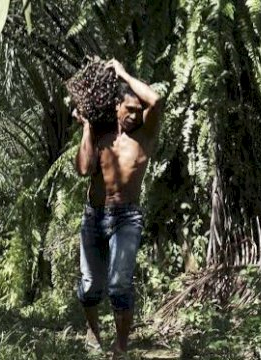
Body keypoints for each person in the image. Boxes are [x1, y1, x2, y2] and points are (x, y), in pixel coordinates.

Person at [74, 59, 163, 358]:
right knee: (89, 287)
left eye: (139, 112)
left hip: (126, 217)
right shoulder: (101, 136)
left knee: (119, 284)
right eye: (130, 110)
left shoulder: (145, 136)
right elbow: (84, 170)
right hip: (94, 216)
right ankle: (93, 333)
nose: (134, 116)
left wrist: (123, 73)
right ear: (116, 107)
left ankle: (121, 347)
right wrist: (87, 127)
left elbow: (156, 99)